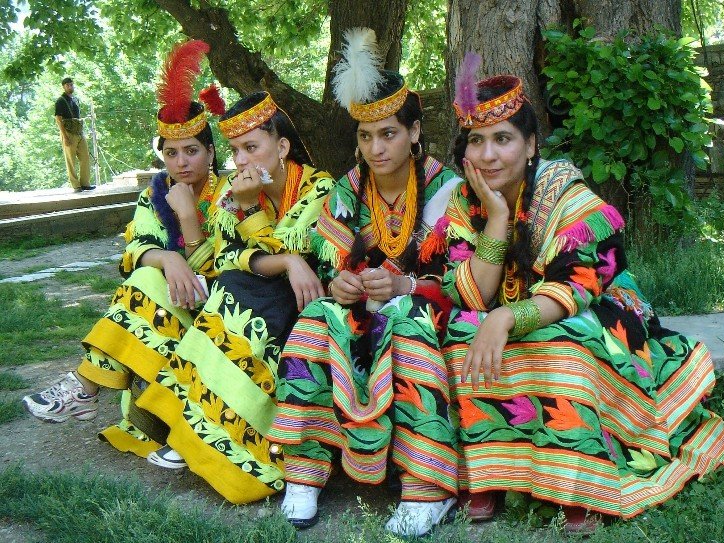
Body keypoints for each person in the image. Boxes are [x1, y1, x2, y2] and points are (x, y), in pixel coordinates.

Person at [437, 54, 724, 532]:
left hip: (596, 309)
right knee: (457, 332)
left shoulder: (566, 193)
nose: (488, 155)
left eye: (503, 139)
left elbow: (577, 286)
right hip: (509, 307)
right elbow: (472, 292)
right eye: (477, 141)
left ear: (531, 144)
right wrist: (495, 218)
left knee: (563, 341)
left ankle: (580, 479)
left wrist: (507, 317)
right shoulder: (462, 202)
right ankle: (490, 474)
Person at [267, 29, 463, 538]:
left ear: (415, 132)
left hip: (430, 303)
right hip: (368, 306)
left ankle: (427, 487)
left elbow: (461, 277)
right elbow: (336, 269)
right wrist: (342, 288)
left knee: (408, 320)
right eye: (365, 136)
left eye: (389, 134)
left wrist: (401, 286)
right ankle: (305, 472)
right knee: (314, 319)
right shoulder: (346, 191)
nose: (376, 148)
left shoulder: (448, 189)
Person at [22, 41, 238, 458]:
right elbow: (136, 248)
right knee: (144, 274)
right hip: (171, 297)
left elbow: (227, 264)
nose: (181, 163)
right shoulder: (154, 194)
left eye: (192, 151)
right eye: (171, 153)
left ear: (211, 152)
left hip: (220, 305)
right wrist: (169, 257)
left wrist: (190, 224)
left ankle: (84, 387)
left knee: (146, 282)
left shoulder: (233, 193)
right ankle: (87, 387)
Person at [135, 91, 335, 504]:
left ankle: (238, 453)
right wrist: (286, 263)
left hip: (315, 303)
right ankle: (190, 429)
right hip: (268, 290)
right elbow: (228, 258)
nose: (241, 161)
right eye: (235, 151)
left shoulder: (318, 187)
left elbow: (302, 253)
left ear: (281, 148)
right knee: (232, 288)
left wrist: (254, 216)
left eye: (251, 148)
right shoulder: (233, 196)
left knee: (246, 298)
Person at [54, 77, 94, 192]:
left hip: (79, 131)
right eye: (67, 85)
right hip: (68, 132)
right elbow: (58, 119)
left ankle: (85, 183)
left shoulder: (75, 100)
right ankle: (76, 185)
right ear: (63, 87)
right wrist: (65, 137)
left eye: (71, 85)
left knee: (85, 157)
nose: (70, 87)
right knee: (71, 160)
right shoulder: (60, 101)